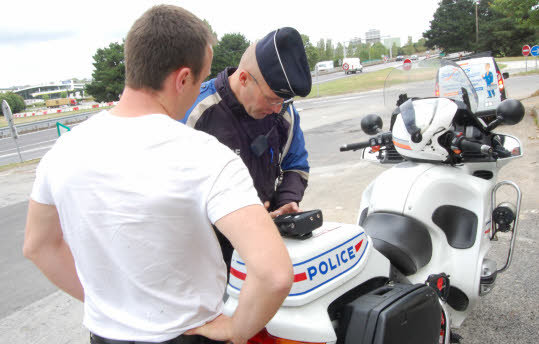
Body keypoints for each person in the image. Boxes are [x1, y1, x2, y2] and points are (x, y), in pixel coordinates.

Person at [23, 5, 293, 344]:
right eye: (201, 78)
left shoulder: (60, 153)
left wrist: (106, 305)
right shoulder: (206, 156)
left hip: (105, 334)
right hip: (190, 334)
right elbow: (274, 274)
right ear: (182, 79)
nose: (201, 89)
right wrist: (237, 329)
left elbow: (38, 246)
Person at [181, 28, 311, 267]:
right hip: (209, 251)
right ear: (243, 79)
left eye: (283, 101)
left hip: (265, 235)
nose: (277, 109)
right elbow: (173, 189)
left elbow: (296, 165)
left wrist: (287, 201)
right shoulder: (196, 110)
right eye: (272, 99)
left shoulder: (284, 111)